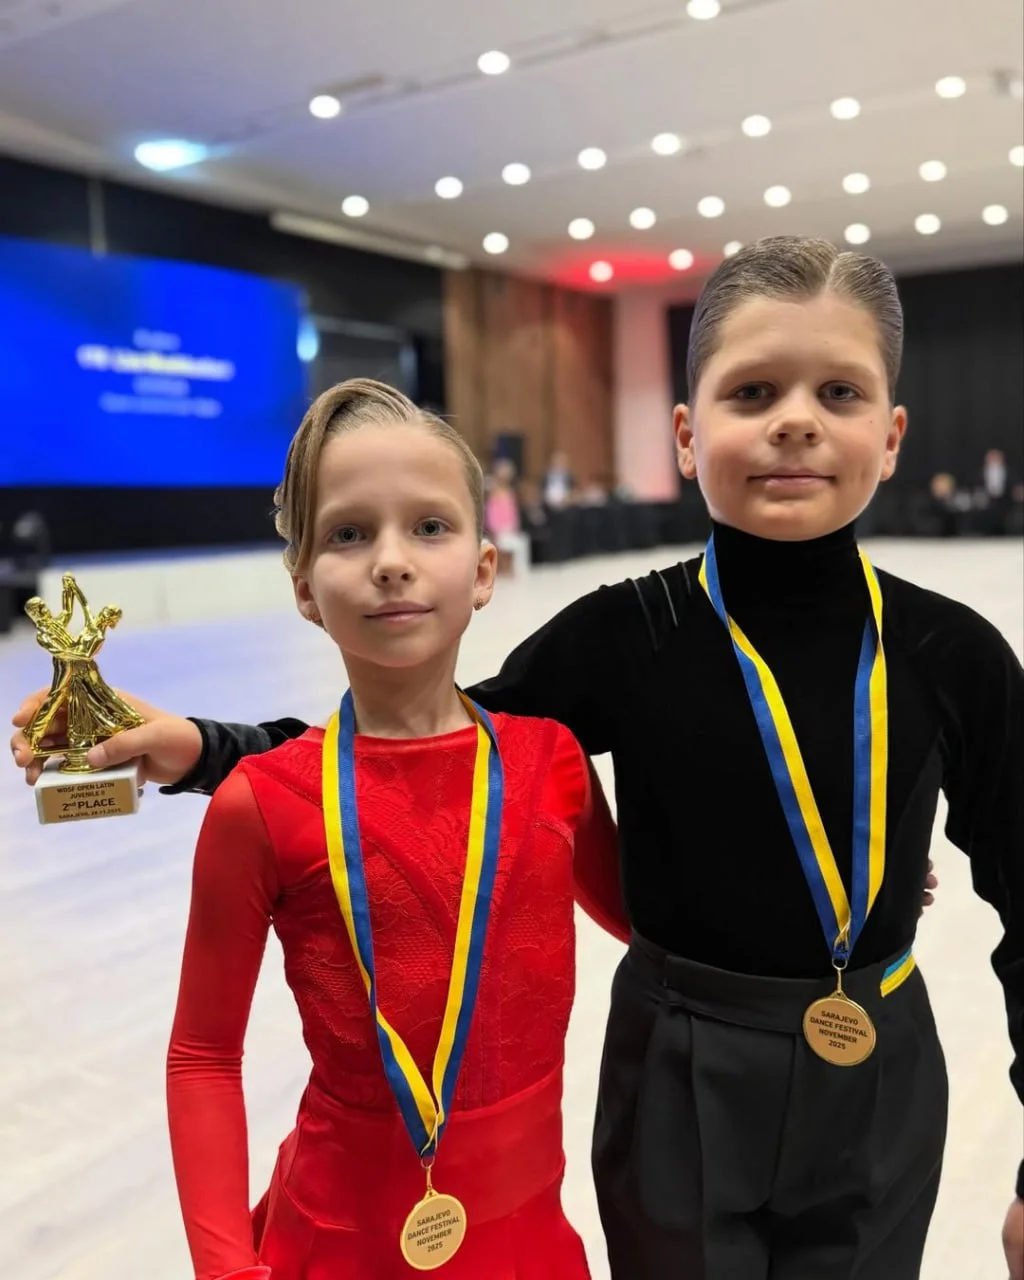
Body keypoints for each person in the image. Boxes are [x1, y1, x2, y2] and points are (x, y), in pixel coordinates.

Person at [12, 238, 1020, 1280]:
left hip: (880, 1072)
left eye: (839, 392)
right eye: (753, 391)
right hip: (680, 1067)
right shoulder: (627, 634)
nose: (796, 420)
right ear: (686, 434)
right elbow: (425, 742)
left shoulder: (957, 655)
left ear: (891, 436)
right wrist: (207, 749)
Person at [80, 379, 632, 1279]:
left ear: (484, 569)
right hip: (335, 1243)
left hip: (527, 1241)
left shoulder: (553, 764)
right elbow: (203, 1056)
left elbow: (659, 927)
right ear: (304, 587)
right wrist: (225, 1269)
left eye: (429, 527)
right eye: (348, 533)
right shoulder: (258, 806)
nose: (391, 561)